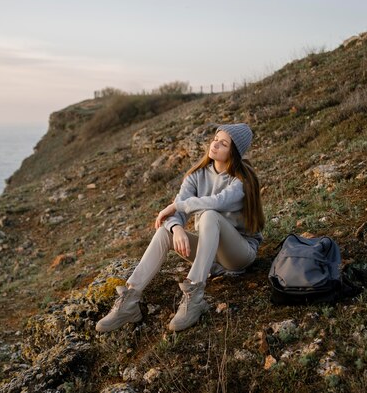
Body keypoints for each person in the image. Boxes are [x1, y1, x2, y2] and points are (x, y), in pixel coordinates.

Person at [96, 123, 265, 332]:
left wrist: (178, 205)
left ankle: (194, 297)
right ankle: (130, 300)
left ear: (235, 152)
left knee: (209, 215)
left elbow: (216, 202)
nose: (215, 145)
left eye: (224, 143)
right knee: (164, 232)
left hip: (239, 254)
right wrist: (176, 228)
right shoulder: (197, 174)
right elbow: (172, 216)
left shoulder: (241, 180)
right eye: (215, 139)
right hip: (212, 255)